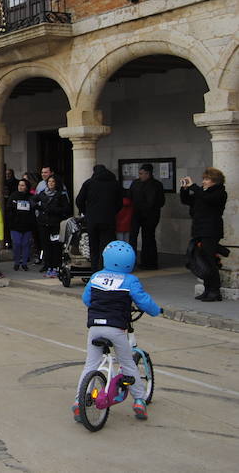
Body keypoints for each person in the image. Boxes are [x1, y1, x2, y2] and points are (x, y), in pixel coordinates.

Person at [72, 242, 161, 423]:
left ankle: (78, 401)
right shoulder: (130, 280)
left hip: (95, 327)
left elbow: (86, 299)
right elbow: (143, 301)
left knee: (91, 364)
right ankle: (139, 400)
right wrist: (156, 311)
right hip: (116, 328)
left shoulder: (96, 276)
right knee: (127, 363)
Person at [180, 168, 228, 302]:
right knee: (203, 262)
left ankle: (215, 291)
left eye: (207, 179)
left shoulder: (220, 193)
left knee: (210, 261)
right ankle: (207, 289)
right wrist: (184, 189)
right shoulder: (202, 192)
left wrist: (194, 187)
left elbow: (207, 199)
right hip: (199, 230)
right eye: (204, 179)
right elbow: (187, 200)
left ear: (215, 181)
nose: (204, 182)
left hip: (210, 231)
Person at [76, 164, 122, 272]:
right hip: (109, 220)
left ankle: (95, 270)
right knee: (107, 247)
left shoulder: (89, 183)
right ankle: (106, 269)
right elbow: (119, 203)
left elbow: (79, 200)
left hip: (92, 220)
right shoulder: (115, 184)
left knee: (94, 246)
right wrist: (112, 212)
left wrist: (86, 212)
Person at [128, 164, 166, 270]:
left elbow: (159, 201)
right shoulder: (138, 183)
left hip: (149, 215)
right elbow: (130, 196)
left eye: (141, 173)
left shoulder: (155, 185)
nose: (140, 176)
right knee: (136, 237)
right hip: (139, 214)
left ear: (148, 174)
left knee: (148, 238)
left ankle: (149, 262)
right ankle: (135, 261)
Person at [34, 175, 70, 278]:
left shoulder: (61, 195)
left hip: (55, 224)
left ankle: (56, 267)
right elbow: (33, 200)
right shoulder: (43, 193)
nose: (50, 183)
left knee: (55, 246)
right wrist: (39, 207)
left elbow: (66, 209)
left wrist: (54, 210)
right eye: (49, 181)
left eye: (53, 181)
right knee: (46, 245)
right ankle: (48, 266)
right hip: (43, 223)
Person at [6, 178, 36, 271]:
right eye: (19, 185)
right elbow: (8, 209)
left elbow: (33, 209)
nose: (20, 187)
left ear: (26, 187)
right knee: (17, 243)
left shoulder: (30, 197)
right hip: (15, 225)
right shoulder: (13, 196)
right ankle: (16, 262)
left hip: (27, 225)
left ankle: (24, 263)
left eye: (22, 185)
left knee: (25, 244)